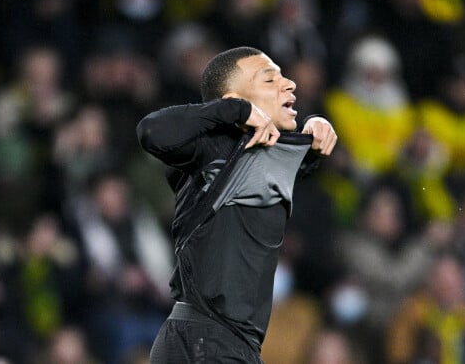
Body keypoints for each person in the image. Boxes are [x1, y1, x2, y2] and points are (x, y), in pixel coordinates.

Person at [136, 46, 337, 363]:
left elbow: (288, 159)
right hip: (208, 340)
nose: (289, 84)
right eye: (270, 80)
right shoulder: (213, 147)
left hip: (218, 342)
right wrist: (231, 112)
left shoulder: (259, 155)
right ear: (235, 100)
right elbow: (150, 131)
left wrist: (315, 128)